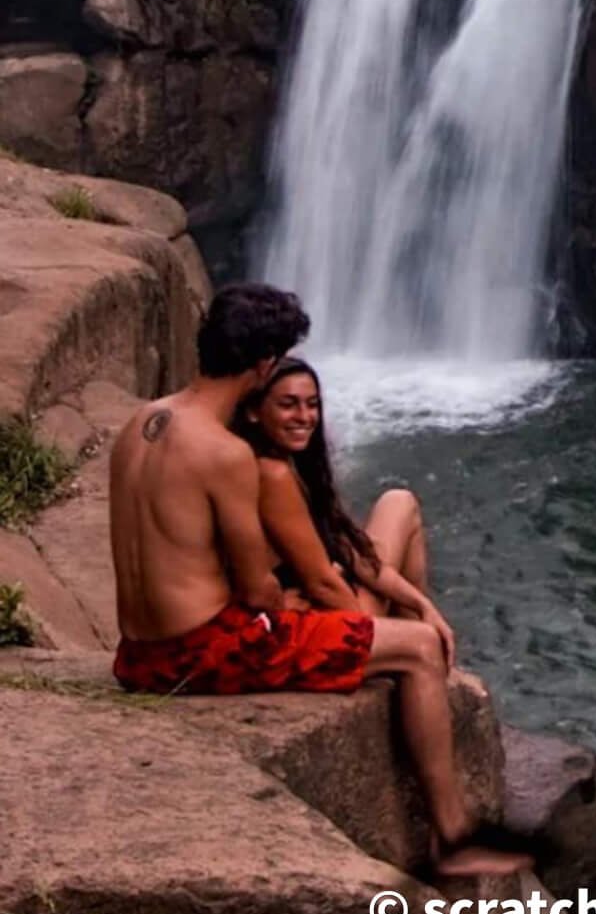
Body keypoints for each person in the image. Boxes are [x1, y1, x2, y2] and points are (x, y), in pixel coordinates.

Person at [108, 282, 528, 879]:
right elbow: (257, 592)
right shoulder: (224, 453)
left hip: (137, 656)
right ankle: (453, 840)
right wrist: (299, 600)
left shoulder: (140, 423)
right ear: (263, 366)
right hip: (200, 656)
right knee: (417, 647)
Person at [235, 357, 447, 648]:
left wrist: (423, 605)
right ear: (253, 411)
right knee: (401, 506)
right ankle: (415, 651)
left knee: (399, 501)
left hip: (329, 601)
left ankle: (416, 640)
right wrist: (370, 633)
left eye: (312, 404)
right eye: (288, 404)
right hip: (321, 619)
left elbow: (351, 553)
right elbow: (320, 584)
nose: (304, 416)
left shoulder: (296, 466)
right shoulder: (270, 474)